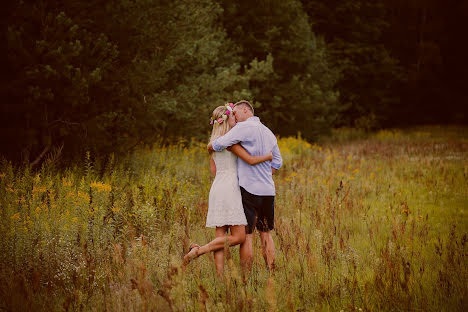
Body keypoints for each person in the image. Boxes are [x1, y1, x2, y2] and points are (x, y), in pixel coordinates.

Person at [183, 103, 272, 276]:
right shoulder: (233, 142)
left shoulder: (213, 144)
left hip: (217, 187)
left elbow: (214, 170)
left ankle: (220, 279)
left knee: (220, 235)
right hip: (231, 187)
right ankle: (198, 251)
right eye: (233, 116)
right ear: (226, 120)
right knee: (239, 237)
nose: (236, 118)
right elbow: (249, 160)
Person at [207, 100, 282, 273]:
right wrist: (264, 175)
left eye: (236, 113)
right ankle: (271, 273)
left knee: (247, 235)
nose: (235, 116)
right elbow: (278, 162)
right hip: (268, 190)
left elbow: (219, 144)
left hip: (249, 189)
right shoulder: (269, 132)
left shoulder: (243, 128)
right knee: (266, 233)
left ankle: (245, 278)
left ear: (245, 110)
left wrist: (210, 146)